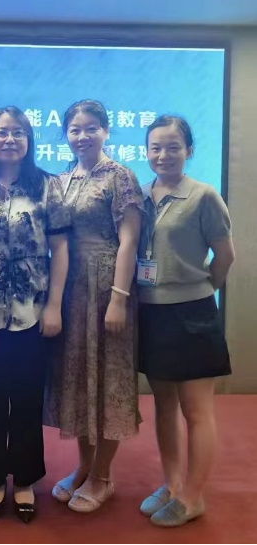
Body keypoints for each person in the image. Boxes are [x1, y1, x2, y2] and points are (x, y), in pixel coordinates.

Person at [0, 106, 71, 524]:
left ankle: (23, 479)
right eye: (2, 132)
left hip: (32, 306)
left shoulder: (47, 185)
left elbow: (60, 248)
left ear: (29, 140)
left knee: (25, 395)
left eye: (18, 133)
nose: (9, 139)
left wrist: (53, 304)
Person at [43, 99, 144, 513]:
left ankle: (103, 476)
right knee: (79, 380)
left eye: (90, 128)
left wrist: (119, 298)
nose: (82, 136)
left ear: (105, 131)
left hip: (106, 287)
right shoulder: (62, 179)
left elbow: (130, 241)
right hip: (70, 290)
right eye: (74, 129)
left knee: (109, 380)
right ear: (65, 134)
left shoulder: (120, 176)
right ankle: (84, 467)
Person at [136, 115, 234, 527]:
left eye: (173, 147)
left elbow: (225, 256)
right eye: (155, 147)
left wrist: (199, 289)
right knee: (164, 407)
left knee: (196, 411)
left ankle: (194, 496)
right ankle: (173, 485)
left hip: (193, 314)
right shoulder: (140, 196)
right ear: (146, 152)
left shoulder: (203, 195)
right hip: (151, 312)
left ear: (189, 150)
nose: (164, 155)